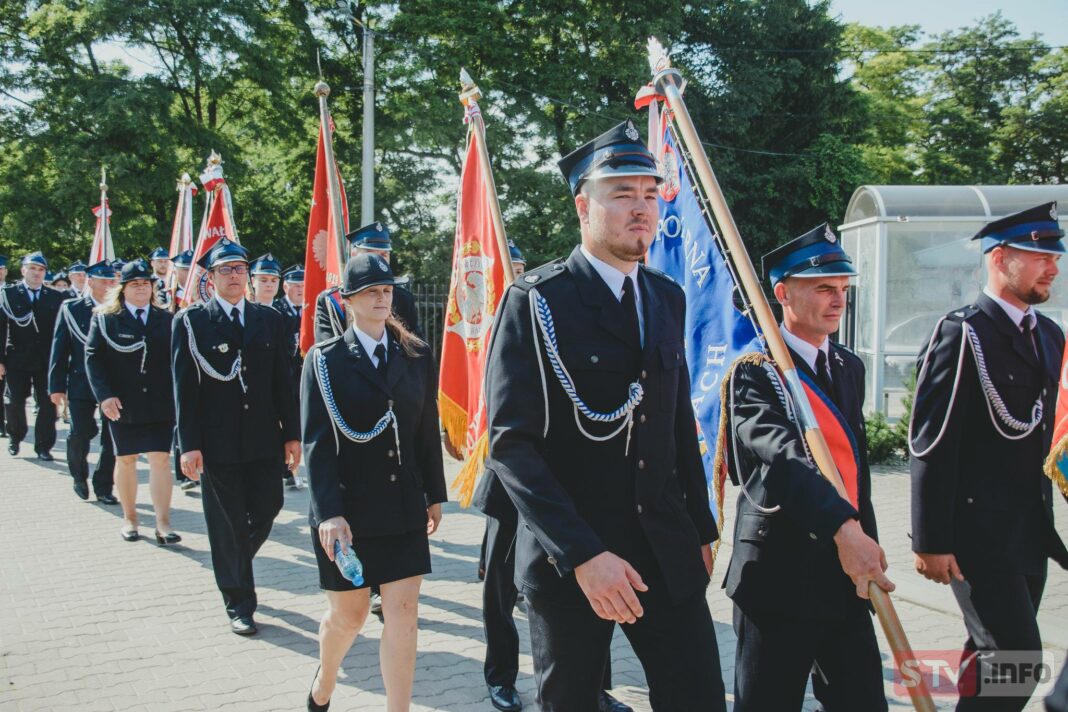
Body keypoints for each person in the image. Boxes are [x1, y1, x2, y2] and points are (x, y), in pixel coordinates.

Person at [482, 120, 725, 711]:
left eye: (649, 193)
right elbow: (511, 446)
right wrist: (585, 556)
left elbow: (674, 423)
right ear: (582, 205)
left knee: (699, 698)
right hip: (573, 555)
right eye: (621, 193)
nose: (640, 208)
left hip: (663, 544)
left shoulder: (666, 297)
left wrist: (701, 527)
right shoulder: (538, 302)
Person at [722, 225, 891, 710]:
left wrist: (865, 540)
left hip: (846, 572)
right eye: (823, 288)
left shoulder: (847, 366)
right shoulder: (753, 369)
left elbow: (854, 467)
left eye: (843, 289)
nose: (838, 300)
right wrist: (846, 531)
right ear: (782, 293)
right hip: (778, 576)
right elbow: (780, 458)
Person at [910, 202, 1068, 711]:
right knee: (1018, 659)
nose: (1054, 267)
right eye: (1039, 255)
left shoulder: (1049, 335)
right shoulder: (962, 332)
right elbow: (931, 442)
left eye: (1055, 257)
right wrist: (931, 539)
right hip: (975, 535)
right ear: (1000, 258)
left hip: (1029, 532)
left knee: (990, 660)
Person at [303, 252, 446, 712]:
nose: (383, 298)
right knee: (351, 616)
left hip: (403, 501)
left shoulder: (415, 354)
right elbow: (317, 444)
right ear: (348, 301)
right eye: (372, 291)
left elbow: (426, 427)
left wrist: (434, 495)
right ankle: (324, 683)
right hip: (347, 509)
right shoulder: (324, 361)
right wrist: (329, 512)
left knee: (404, 612)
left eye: (387, 290)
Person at [172, 239, 301, 635]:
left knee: (269, 506)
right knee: (227, 523)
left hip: (264, 438)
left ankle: (232, 558)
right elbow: (185, 388)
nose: (234, 276)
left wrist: (292, 435)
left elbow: (284, 380)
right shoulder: (191, 322)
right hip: (218, 442)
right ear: (210, 278)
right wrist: (188, 444)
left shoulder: (270, 319)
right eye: (225, 270)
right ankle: (239, 603)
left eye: (240, 269)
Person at [85, 259, 178, 544]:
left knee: (161, 460)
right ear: (123, 289)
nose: (141, 289)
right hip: (122, 403)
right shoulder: (106, 318)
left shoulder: (167, 319)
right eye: (135, 284)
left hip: (160, 402)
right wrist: (104, 396)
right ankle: (131, 519)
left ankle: (163, 524)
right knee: (125, 460)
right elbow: (93, 358)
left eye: (146, 284)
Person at [48, 260, 119, 503]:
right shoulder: (72, 308)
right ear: (91, 282)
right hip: (80, 381)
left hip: (112, 384)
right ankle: (79, 476)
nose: (111, 284)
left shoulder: (119, 309)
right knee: (80, 432)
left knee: (112, 439)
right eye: (105, 280)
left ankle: (104, 486)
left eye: (113, 280)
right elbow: (60, 348)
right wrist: (56, 386)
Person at [0, 251, 64, 459]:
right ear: (23, 270)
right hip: (17, 358)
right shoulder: (8, 294)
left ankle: (43, 447)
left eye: (41, 269)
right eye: (33, 268)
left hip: (46, 360)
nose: (37, 273)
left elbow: (60, 332)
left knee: (48, 403)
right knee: (14, 401)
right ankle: (15, 436)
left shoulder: (55, 296)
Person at [313, 222, 420, 344]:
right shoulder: (332, 300)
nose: (378, 260)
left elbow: (415, 347)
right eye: (370, 253)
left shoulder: (403, 298)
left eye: (384, 255)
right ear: (354, 255)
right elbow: (328, 353)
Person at [278, 265, 305, 489]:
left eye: (303, 285)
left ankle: (293, 470)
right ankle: (286, 470)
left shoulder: (309, 310)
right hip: (286, 374)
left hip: (302, 374)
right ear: (285, 286)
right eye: (296, 285)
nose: (300, 289)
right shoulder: (278, 310)